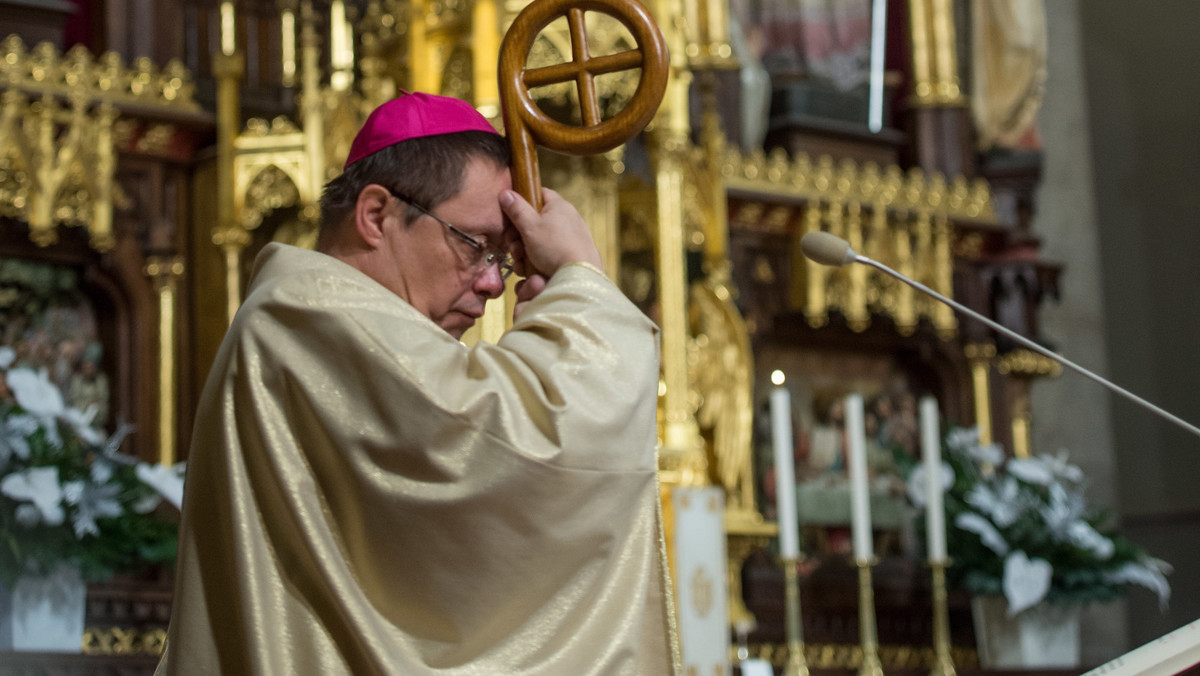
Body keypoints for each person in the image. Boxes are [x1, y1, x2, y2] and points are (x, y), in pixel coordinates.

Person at [156, 92, 678, 675]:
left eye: (503, 262)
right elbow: (541, 440)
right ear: (376, 215)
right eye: (477, 246)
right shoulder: (309, 317)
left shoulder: (312, 322)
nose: (493, 285)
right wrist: (581, 285)